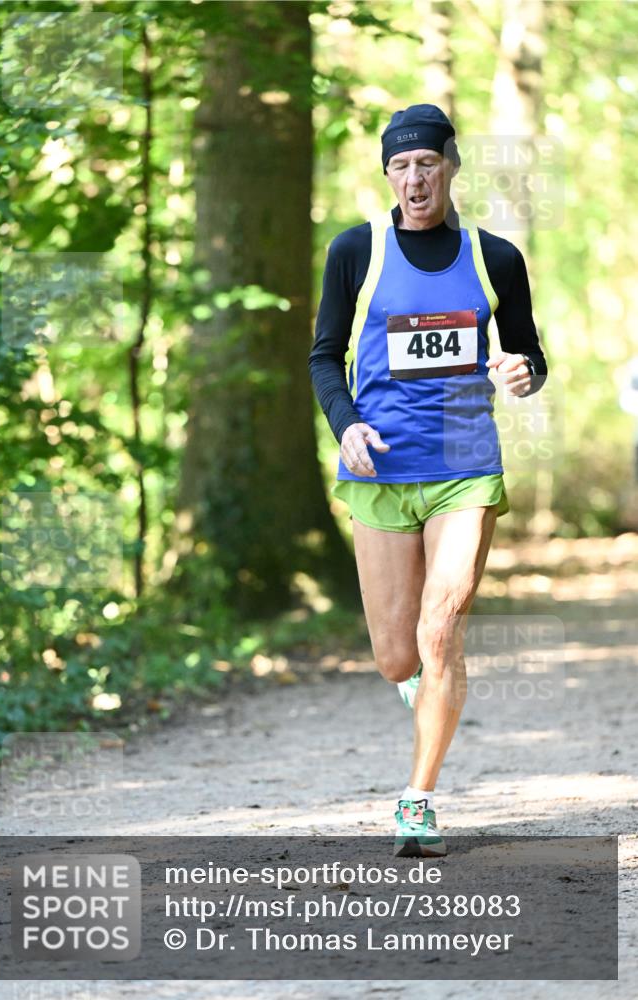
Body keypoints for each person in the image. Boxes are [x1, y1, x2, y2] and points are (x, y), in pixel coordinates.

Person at [308, 104, 548, 857]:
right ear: (388, 175)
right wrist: (345, 425)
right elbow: (324, 357)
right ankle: (426, 688)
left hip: (462, 467)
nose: (414, 179)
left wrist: (523, 373)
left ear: (450, 167)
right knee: (396, 656)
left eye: (426, 164)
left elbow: (529, 356)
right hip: (379, 468)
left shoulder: (493, 257)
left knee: (439, 630)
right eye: (399, 167)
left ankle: (418, 798)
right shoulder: (357, 251)